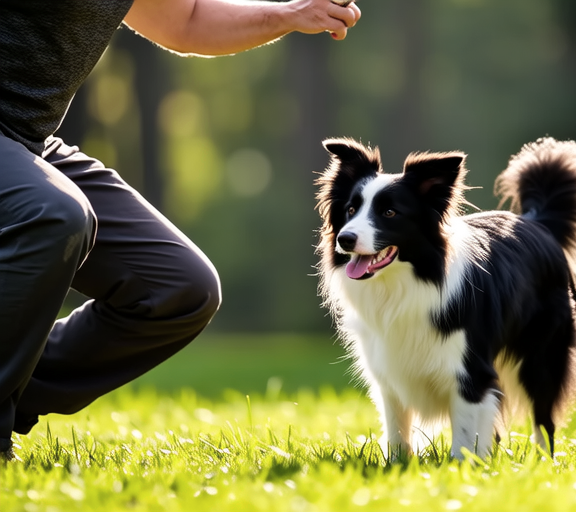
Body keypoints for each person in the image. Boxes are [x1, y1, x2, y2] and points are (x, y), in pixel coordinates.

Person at [0, 0, 362, 461]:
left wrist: (289, 15)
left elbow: (184, 22)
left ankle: (10, 388)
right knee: (54, 213)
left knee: (178, 288)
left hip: (28, 139)